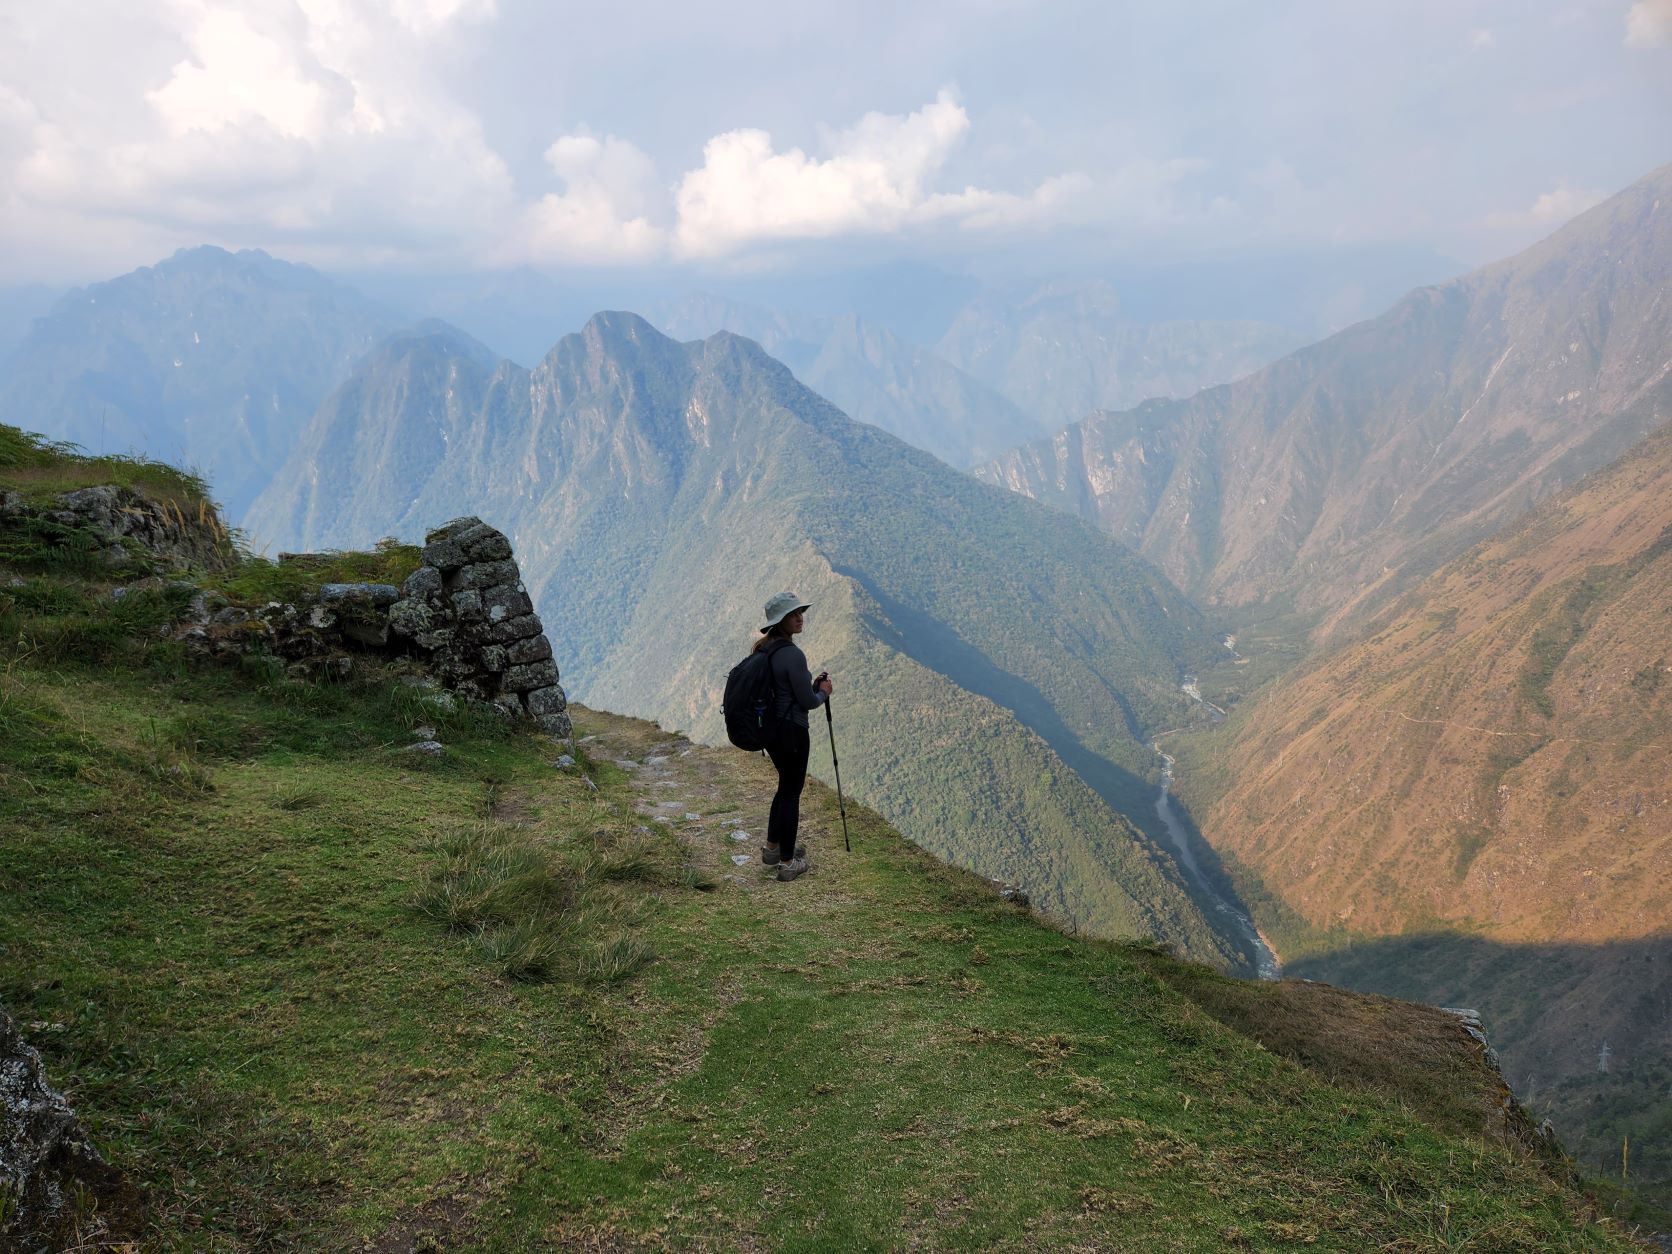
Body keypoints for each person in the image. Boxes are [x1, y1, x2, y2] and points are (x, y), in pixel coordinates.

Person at [752, 591, 833, 882]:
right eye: (793, 614)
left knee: (784, 788)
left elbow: (790, 692)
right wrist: (822, 693)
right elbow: (808, 702)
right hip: (793, 732)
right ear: (780, 621)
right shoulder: (792, 654)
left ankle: (773, 849)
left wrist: (809, 689)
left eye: (800, 612)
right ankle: (787, 863)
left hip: (772, 731)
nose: (800, 618)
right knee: (791, 794)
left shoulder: (765, 650)